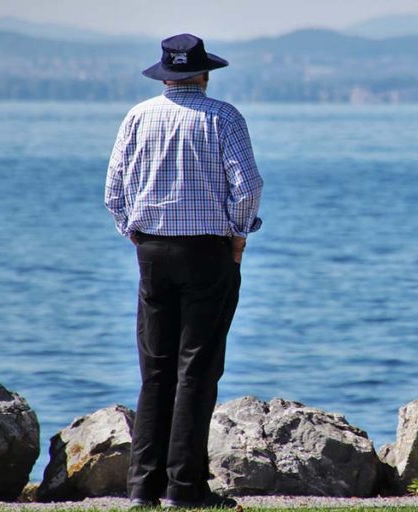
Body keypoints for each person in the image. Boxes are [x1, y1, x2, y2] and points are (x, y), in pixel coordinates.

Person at [104, 33, 263, 509]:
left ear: (166, 75)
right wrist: (238, 234)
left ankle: (141, 489)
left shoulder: (138, 116)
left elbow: (114, 189)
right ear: (204, 73)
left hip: (152, 252)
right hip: (209, 253)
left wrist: (135, 233)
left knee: (155, 371)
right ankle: (185, 488)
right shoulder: (224, 117)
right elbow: (248, 185)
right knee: (197, 369)